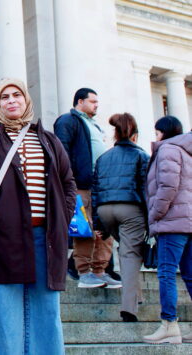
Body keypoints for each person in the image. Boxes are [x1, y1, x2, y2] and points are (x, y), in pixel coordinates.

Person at [0, 78, 76, 355]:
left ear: (27, 100)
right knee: (3, 312)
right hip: (2, 237)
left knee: (46, 311)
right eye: (5, 97)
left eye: (17, 95)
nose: (11, 100)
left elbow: (67, 182)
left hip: (45, 238)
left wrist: (61, 217)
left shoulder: (48, 139)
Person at [54, 88, 121, 289]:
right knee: (84, 229)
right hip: (80, 184)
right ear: (80, 102)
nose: (96, 105)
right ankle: (84, 271)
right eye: (92, 101)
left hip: (99, 185)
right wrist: (69, 180)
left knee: (105, 229)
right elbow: (62, 151)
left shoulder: (95, 125)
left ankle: (100, 270)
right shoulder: (68, 121)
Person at [92, 113, 149, 322]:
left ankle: (137, 295)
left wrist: (98, 224)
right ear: (134, 135)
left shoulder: (103, 158)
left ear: (115, 133)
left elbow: (95, 190)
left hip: (105, 211)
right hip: (130, 209)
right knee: (130, 254)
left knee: (126, 249)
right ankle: (129, 308)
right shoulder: (141, 156)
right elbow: (146, 190)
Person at [143, 131, 192, 344]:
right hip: (188, 221)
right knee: (189, 275)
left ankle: (169, 325)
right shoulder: (188, 152)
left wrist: (154, 214)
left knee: (166, 273)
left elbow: (168, 186)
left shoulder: (168, 149)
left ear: (163, 132)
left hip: (172, 222)